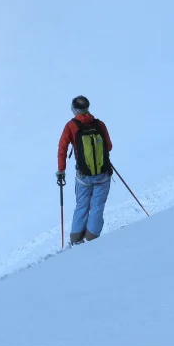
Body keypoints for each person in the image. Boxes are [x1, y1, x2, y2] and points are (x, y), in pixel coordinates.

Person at [56, 95, 113, 245]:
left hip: (83, 176)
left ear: (74, 109)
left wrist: (61, 170)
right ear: (88, 107)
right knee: (97, 205)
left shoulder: (71, 126)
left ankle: (76, 238)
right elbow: (109, 146)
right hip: (102, 174)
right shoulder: (99, 124)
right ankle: (92, 238)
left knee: (82, 205)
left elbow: (62, 148)